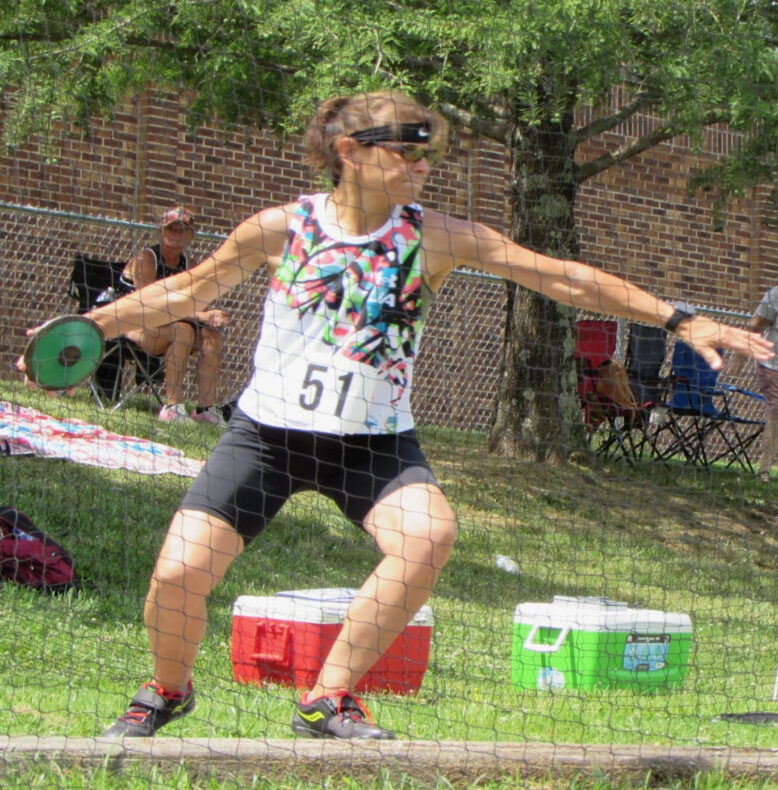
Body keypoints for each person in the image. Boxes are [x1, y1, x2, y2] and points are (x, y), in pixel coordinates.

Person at [19, 90, 774, 740]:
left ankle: (327, 698)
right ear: (350, 152)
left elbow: (562, 277)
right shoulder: (281, 227)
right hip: (268, 438)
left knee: (428, 537)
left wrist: (679, 319)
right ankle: (166, 689)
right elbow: (187, 292)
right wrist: (87, 328)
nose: (421, 167)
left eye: (428, 156)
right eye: (406, 153)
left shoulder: (435, 236)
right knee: (178, 575)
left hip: (374, 444)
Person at [123, 206, 230, 426]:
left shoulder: (190, 267)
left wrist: (212, 316)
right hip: (132, 324)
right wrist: (200, 315)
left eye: (183, 230)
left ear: (190, 236)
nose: (176, 234)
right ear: (162, 231)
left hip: (170, 325)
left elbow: (196, 304)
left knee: (212, 336)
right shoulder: (146, 259)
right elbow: (148, 305)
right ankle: (173, 408)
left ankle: (205, 410)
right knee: (183, 331)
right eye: (172, 229)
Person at [748, 286, 778, 480]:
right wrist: (739, 357)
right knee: (776, 416)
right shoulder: (776, 294)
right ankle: (764, 470)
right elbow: (755, 326)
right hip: (772, 366)